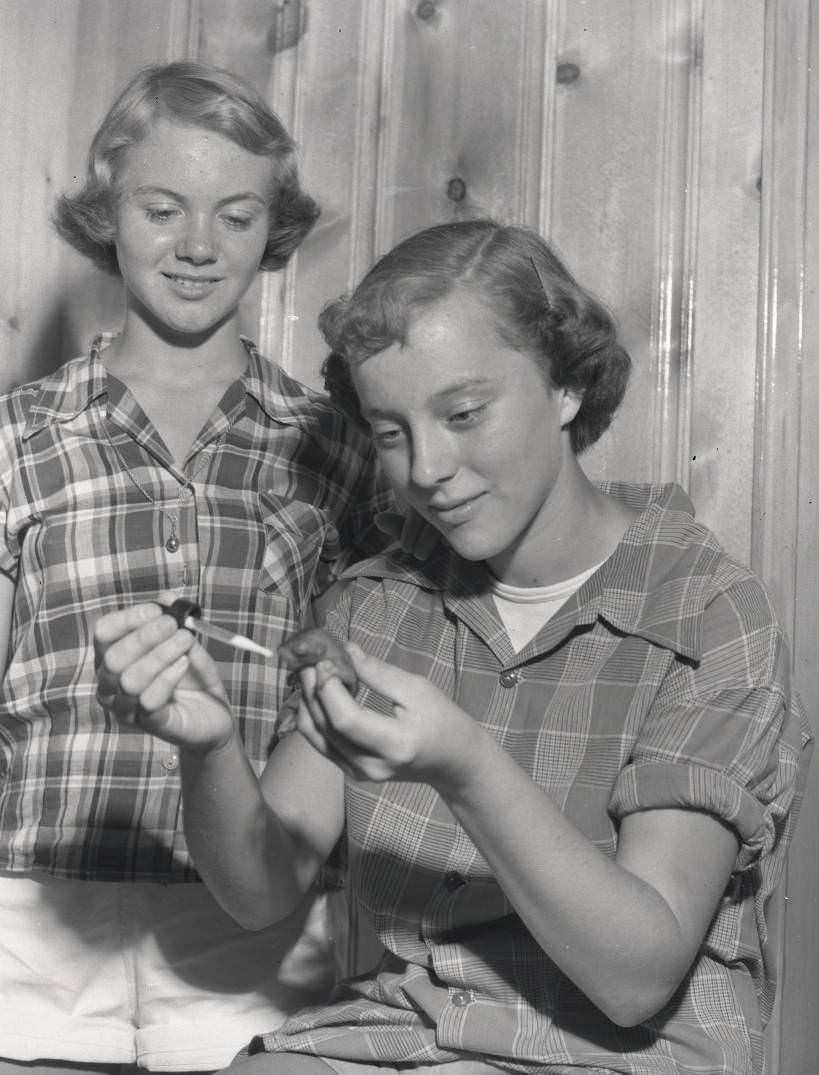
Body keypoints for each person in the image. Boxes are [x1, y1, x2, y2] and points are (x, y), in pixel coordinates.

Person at [93, 220, 812, 1075]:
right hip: (410, 1033)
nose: (426, 466)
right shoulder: (376, 606)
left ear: (566, 388)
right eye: (389, 431)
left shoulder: (706, 611)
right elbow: (261, 894)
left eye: (463, 413)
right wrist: (207, 749)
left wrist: (466, 765)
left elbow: (636, 977)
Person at [0, 61, 401, 1075]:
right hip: (41, 902)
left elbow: (357, 669)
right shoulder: (20, 437)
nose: (194, 245)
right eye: (162, 207)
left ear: (274, 228)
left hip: (251, 905)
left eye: (234, 215)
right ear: (107, 210)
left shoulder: (331, 447)